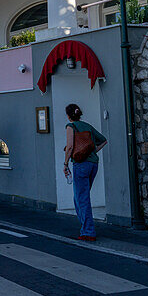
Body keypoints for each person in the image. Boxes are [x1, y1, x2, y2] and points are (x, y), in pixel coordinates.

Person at [62, 103, 107, 242]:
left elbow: (69, 147)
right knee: (82, 197)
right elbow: (103, 141)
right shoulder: (87, 126)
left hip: (80, 165)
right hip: (93, 164)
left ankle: (88, 231)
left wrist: (65, 164)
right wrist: (92, 152)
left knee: (81, 199)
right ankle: (86, 228)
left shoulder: (71, 127)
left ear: (68, 116)